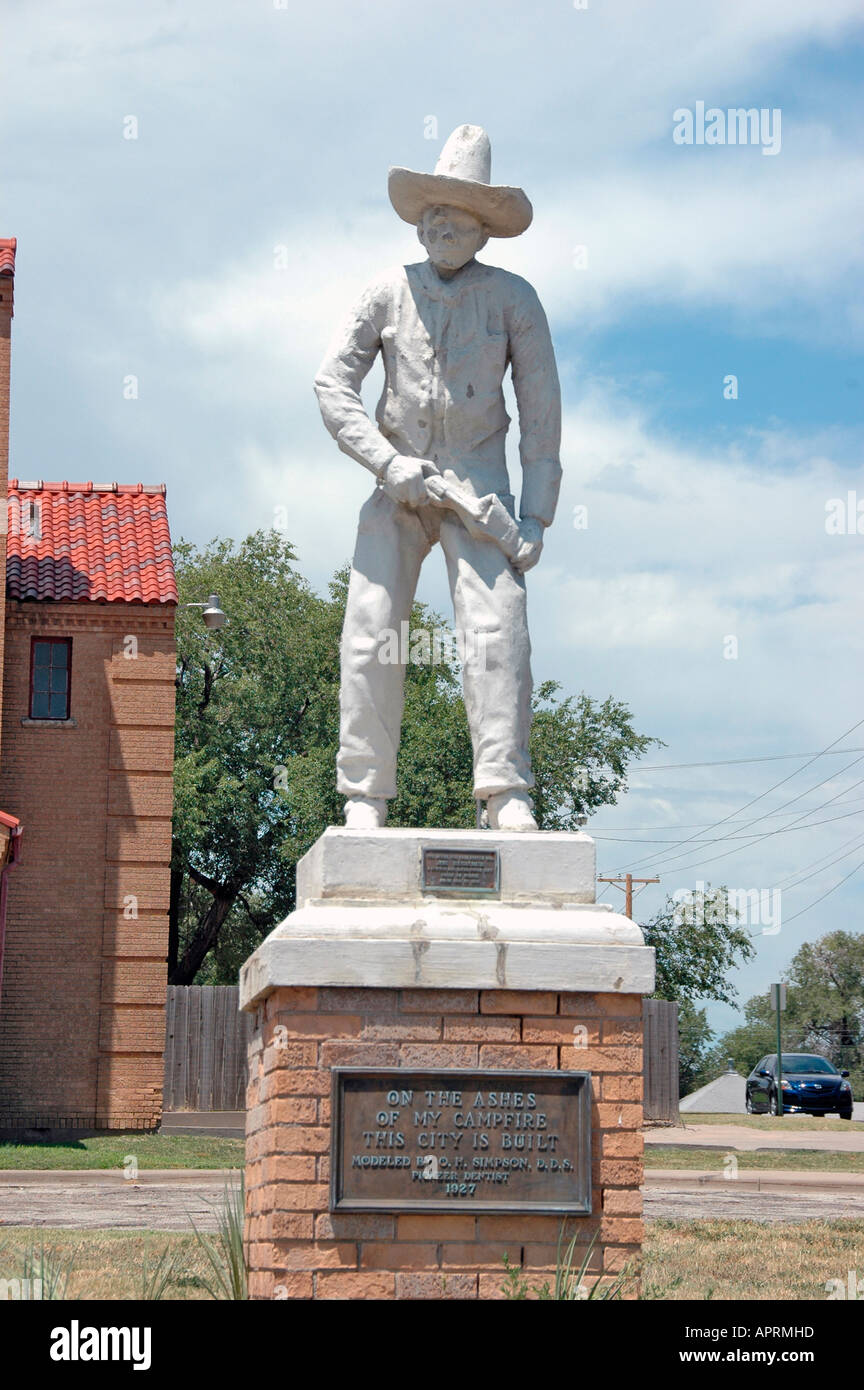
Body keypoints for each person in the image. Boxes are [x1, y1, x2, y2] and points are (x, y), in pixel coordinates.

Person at [314, 124, 562, 831]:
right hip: (396, 485)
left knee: (499, 632)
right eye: (430, 208)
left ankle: (505, 790)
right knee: (368, 628)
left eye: (454, 211)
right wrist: (388, 464)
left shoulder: (516, 300)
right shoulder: (384, 292)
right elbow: (333, 385)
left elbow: (541, 412)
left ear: (483, 227)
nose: (437, 221)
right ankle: (363, 793)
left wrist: (537, 515)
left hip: (481, 491)